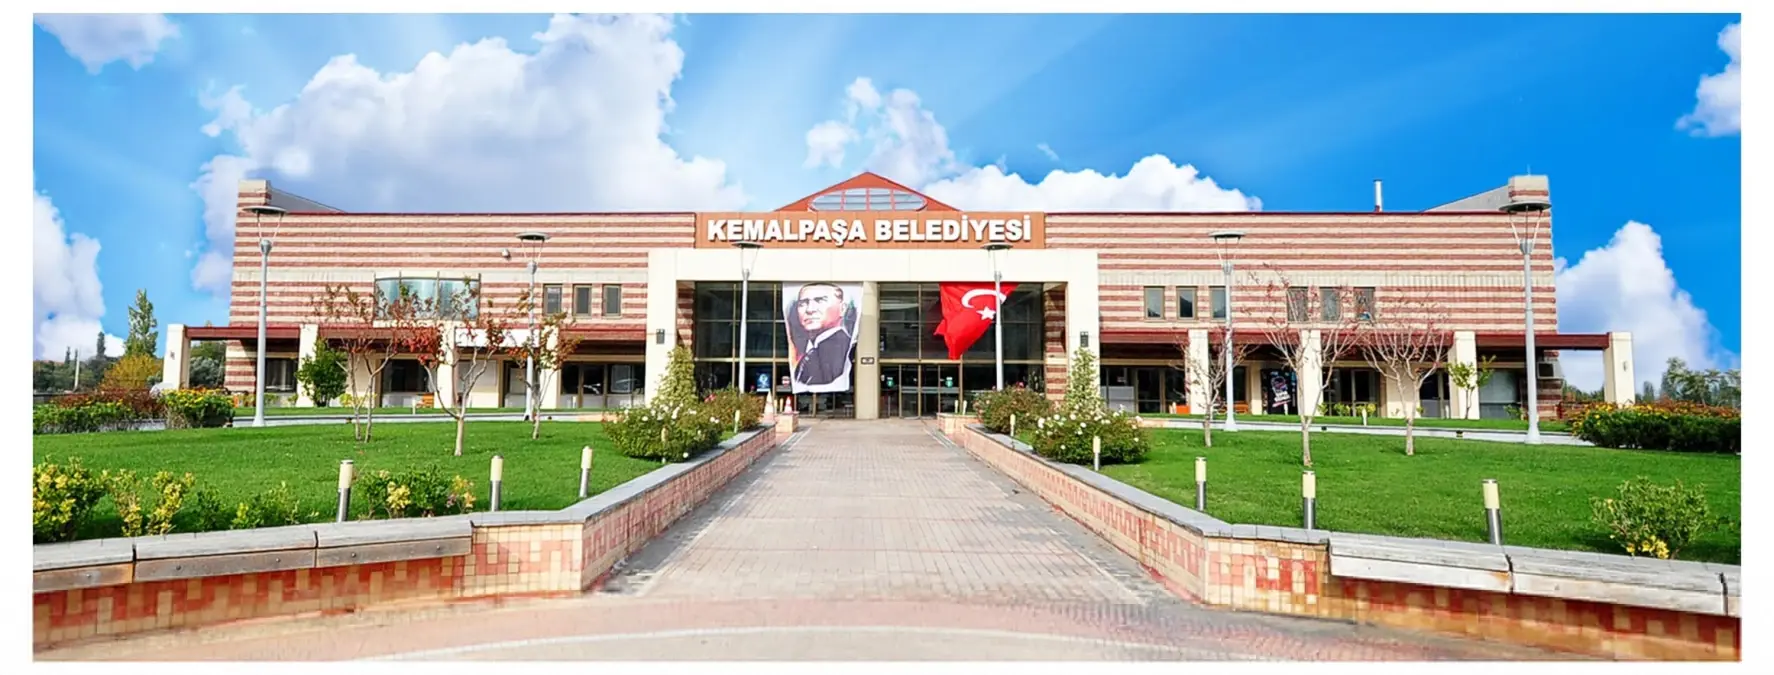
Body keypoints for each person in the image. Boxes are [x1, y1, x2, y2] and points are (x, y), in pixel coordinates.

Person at [789, 283, 854, 389]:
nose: (810, 309)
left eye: (820, 301)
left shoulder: (843, 348)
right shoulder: (809, 352)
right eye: (803, 303)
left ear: (842, 308)